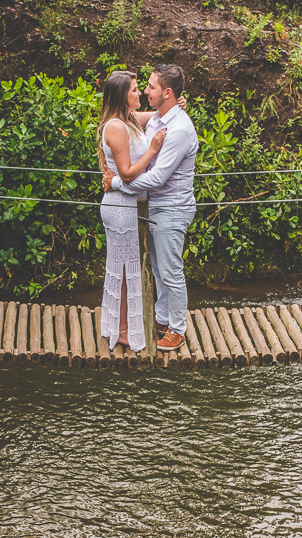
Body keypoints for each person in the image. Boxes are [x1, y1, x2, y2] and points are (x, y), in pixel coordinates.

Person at [103, 64, 198, 352]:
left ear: (166, 93)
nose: (145, 91)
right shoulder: (158, 118)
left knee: (171, 271)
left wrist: (117, 183)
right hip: (155, 207)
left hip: (172, 208)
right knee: (158, 270)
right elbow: (134, 122)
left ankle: (177, 329)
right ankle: (163, 318)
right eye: (140, 87)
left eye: (151, 87)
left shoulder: (179, 129)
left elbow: (157, 177)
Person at [97, 70, 168, 351]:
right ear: (122, 95)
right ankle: (122, 331)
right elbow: (126, 174)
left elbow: (157, 117)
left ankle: (117, 325)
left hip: (126, 204)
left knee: (125, 269)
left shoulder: (129, 119)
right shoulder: (116, 126)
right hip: (119, 207)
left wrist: (172, 106)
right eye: (135, 90)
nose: (140, 94)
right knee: (124, 271)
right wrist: (151, 150)